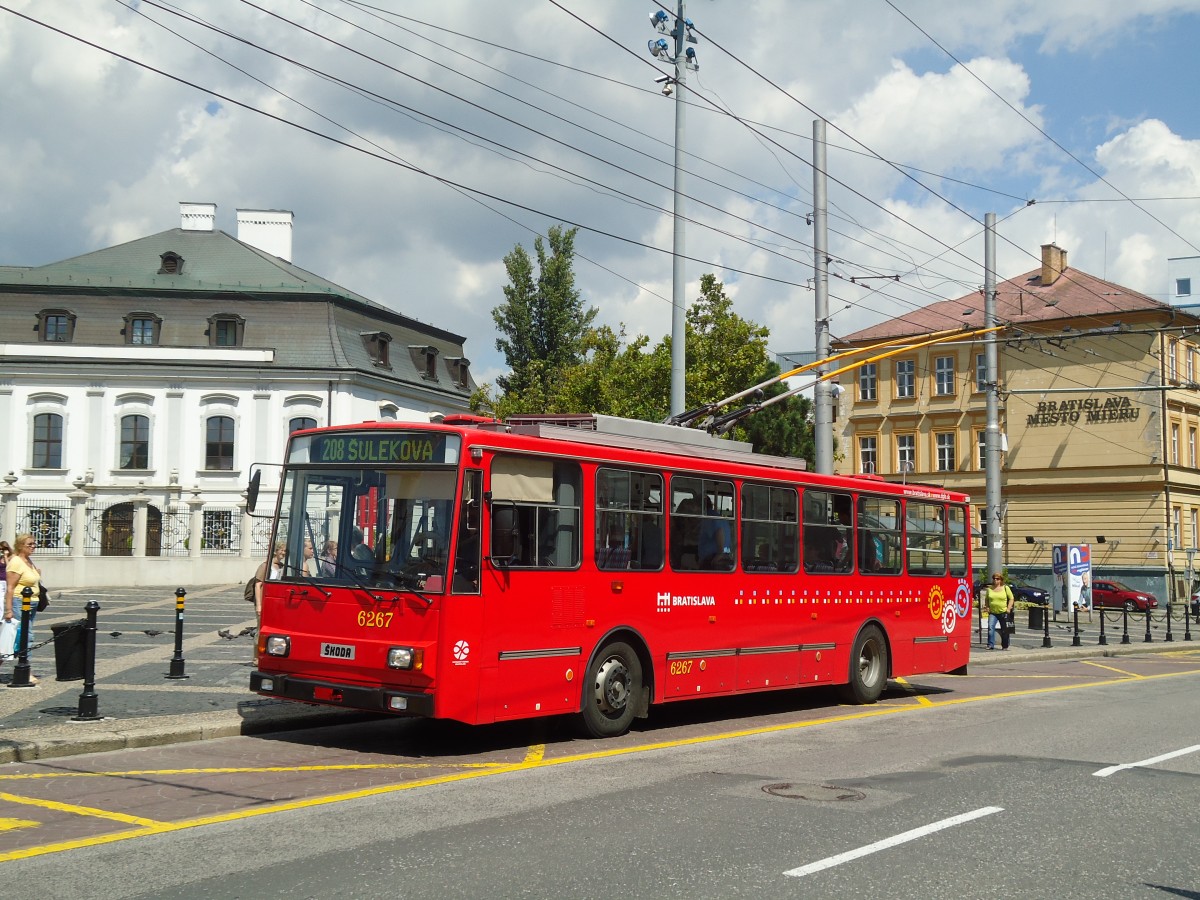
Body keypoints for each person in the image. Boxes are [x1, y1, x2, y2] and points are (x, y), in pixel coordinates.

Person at [6, 533, 42, 682]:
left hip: (31, 603)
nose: (33, 547)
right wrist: (9, 610)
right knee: (24, 636)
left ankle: (24, 666)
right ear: (20, 545)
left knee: (20, 637)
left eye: (34, 544)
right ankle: (25, 669)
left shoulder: (27, 561)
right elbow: (10, 587)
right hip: (20, 602)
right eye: (30, 544)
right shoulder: (16, 561)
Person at [981, 571, 1015, 650]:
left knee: (1004, 630)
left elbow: (1011, 598)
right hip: (993, 612)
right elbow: (986, 599)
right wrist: (987, 607)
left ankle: (1005, 646)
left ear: (1001, 580)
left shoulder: (1005, 588)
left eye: (997, 579)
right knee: (990, 628)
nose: (995, 580)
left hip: (1003, 612)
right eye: (994, 579)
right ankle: (990, 644)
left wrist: (1008, 608)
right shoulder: (990, 589)